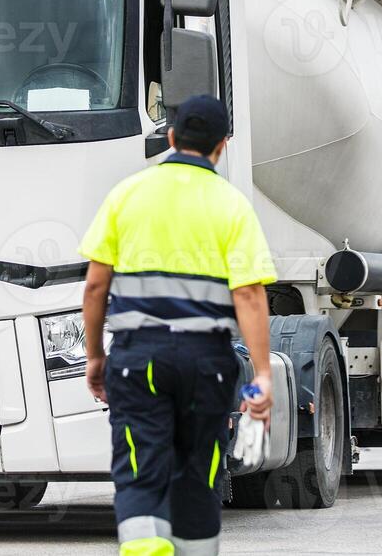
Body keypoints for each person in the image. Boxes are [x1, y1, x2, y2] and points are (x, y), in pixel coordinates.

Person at [79, 94, 277, 556]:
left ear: (170, 138)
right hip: (206, 363)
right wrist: (263, 375)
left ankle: (147, 548)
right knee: (201, 468)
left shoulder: (127, 194)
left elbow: (94, 288)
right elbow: (248, 294)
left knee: (140, 464)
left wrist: (95, 357)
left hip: (138, 358)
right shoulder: (231, 205)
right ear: (222, 146)